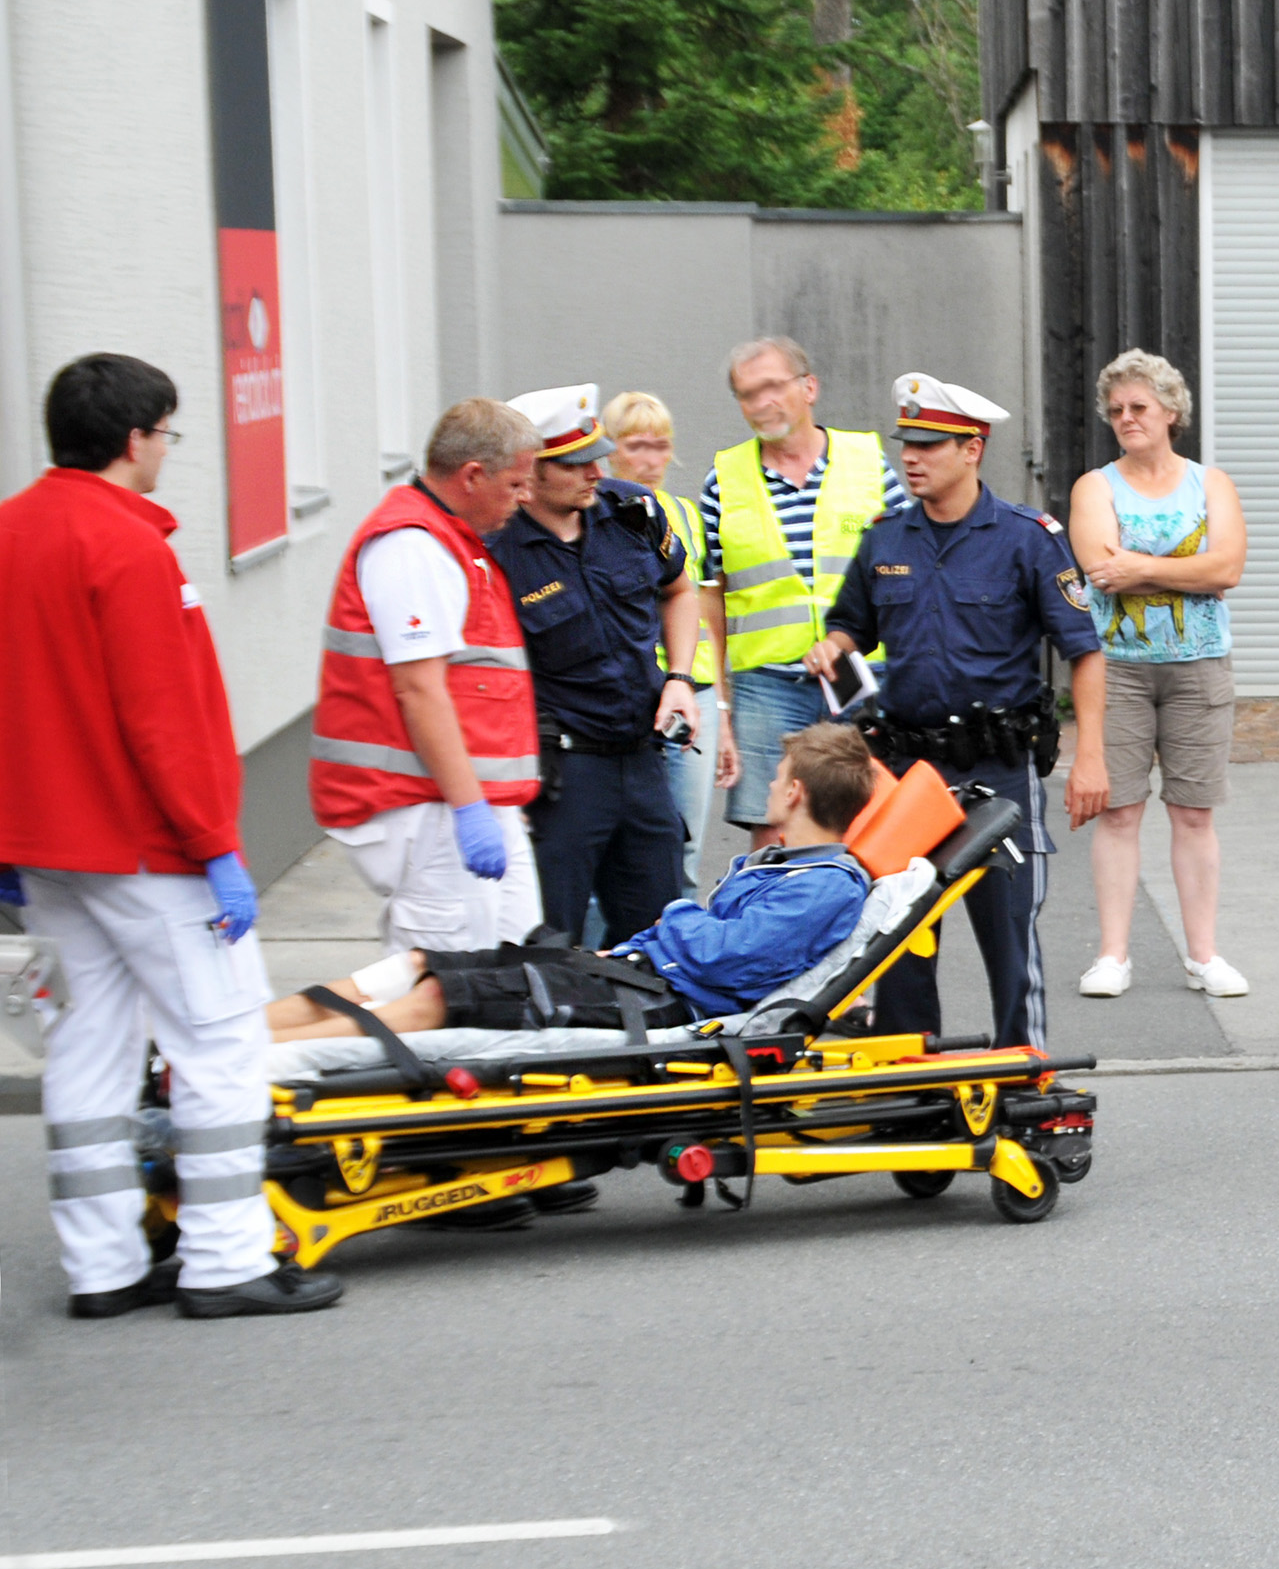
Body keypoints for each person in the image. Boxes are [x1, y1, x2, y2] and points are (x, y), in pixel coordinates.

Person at [0, 353, 342, 1318]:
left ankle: (101, 1266)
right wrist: (215, 843)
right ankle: (226, 1260)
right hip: (148, 851)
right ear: (134, 438)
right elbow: (167, 720)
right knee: (220, 1045)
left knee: (86, 1051)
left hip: (47, 853)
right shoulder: (130, 548)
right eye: (166, 434)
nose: (165, 452)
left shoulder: (10, 532)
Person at [808, 373, 1109, 1049]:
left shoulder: (1028, 538)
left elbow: (1084, 651)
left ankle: (1022, 1070)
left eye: (929, 445)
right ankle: (910, 1079)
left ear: (972, 449)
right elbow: (852, 624)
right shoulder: (885, 539)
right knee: (899, 938)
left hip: (996, 772)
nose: (910, 457)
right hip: (907, 772)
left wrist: (1090, 756)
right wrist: (835, 646)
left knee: (1009, 937)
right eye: (906, 444)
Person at [269, 724, 879, 1043]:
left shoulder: (825, 886)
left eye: (777, 776)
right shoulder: (777, 865)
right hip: (635, 973)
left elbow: (727, 956)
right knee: (421, 963)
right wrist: (636, 945)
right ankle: (248, 1034)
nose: (769, 785)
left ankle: (266, 1059)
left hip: (663, 1001)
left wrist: (676, 916)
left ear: (794, 792)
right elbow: (711, 945)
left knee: (441, 998)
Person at [311, 398, 546, 954]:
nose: (526, 498)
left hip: (453, 799)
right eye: (515, 484)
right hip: (425, 804)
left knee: (511, 962)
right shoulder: (412, 546)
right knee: (446, 977)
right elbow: (419, 690)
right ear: (472, 476)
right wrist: (469, 807)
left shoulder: (444, 539)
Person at [489, 383, 702, 946]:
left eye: (598, 455)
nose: (596, 471)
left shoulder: (631, 512)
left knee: (659, 940)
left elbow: (680, 591)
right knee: (554, 944)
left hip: (643, 760)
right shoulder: (497, 550)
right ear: (529, 470)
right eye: (575, 463)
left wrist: (680, 678)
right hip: (564, 776)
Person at [1067, 349, 1251, 999]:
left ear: (1171, 411)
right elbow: (1099, 568)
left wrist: (1140, 567)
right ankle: (1112, 956)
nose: (1126, 417)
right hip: (1117, 670)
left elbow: (1228, 568)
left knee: (1194, 814)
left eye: (1139, 406)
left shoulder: (1211, 484)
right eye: (1116, 409)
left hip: (1199, 668)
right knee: (1119, 813)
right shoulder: (1095, 487)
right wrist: (1190, 572)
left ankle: (1204, 956)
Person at [700, 337, 904, 842]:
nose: (761, 403)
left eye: (772, 386)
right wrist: (720, 705)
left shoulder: (868, 462)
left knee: (873, 830)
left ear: (809, 387)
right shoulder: (723, 481)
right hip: (767, 686)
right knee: (773, 832)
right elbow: (709, 602)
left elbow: (909, 572)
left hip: (862, 676)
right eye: (748, 394)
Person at [605, 389, 739, 891]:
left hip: (693, 694)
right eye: (637, 445)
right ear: (611, 449)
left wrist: (721, 712)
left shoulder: (684, 514)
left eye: (660, 446)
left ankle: (675, 940)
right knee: (618, 854)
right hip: (632, 693)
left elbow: (706, 610)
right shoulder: (595, 514)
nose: (651, 459)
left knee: (685, 851)